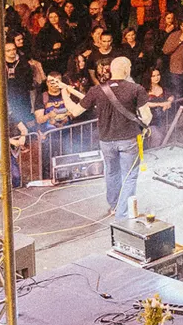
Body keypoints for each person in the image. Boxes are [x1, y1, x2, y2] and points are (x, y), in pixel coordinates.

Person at [61, 55, 149, 220]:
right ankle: (123, 214)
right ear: (126, 69)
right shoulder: (136, 89)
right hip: (128, 139)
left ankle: (114, 206)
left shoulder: (97, 90)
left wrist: (64, 94)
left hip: (106, 140)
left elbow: (75, 111)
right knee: (129, 175)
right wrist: (143, 127)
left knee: (112, 172)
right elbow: (147, 116)